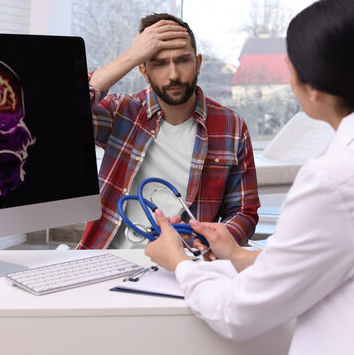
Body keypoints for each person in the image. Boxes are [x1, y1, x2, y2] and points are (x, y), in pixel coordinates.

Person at [145, 0, 354, 353]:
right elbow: (319, 258)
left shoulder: (330, 179)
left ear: (314, 86)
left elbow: (237, 313)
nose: (173, 73)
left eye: (290, 65)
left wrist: (178, 262)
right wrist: (236, 255)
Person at [77, 13, 260, 251]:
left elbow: (244, 212)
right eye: (160, 63)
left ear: (198, 63)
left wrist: (209, 244)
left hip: (183, 265)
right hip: (105, 258)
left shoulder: (231, 127)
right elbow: (60, 116)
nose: (173, 75)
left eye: (183, 60)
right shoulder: (121, 111)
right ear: (143, 71)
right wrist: (131, 57)